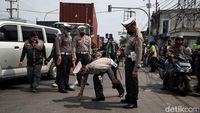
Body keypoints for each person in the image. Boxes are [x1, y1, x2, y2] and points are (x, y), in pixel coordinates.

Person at [121, 17, 144, 109]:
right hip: (129, 61)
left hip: (133, 63)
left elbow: (139, 54)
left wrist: (136, 69)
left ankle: (133, 102)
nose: (127, 30)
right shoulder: (132, 36)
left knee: (132, 83)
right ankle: (128, 97)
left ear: (133, 26)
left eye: (128, 28)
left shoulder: (137, 37)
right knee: (128, 81)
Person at [55, 24, 75, 93]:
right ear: (64, 30)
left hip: (69, 56)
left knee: (67, 72)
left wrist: (73, 56)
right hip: (63, 56)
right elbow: (58, 47)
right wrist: (59, 56)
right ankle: (61, 87)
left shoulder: (70, 37)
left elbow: (71, 47)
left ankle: (66, 85)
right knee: (61, 72)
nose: (69, 32)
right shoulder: (59, 37)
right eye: (67, 30)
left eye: (69, 31)